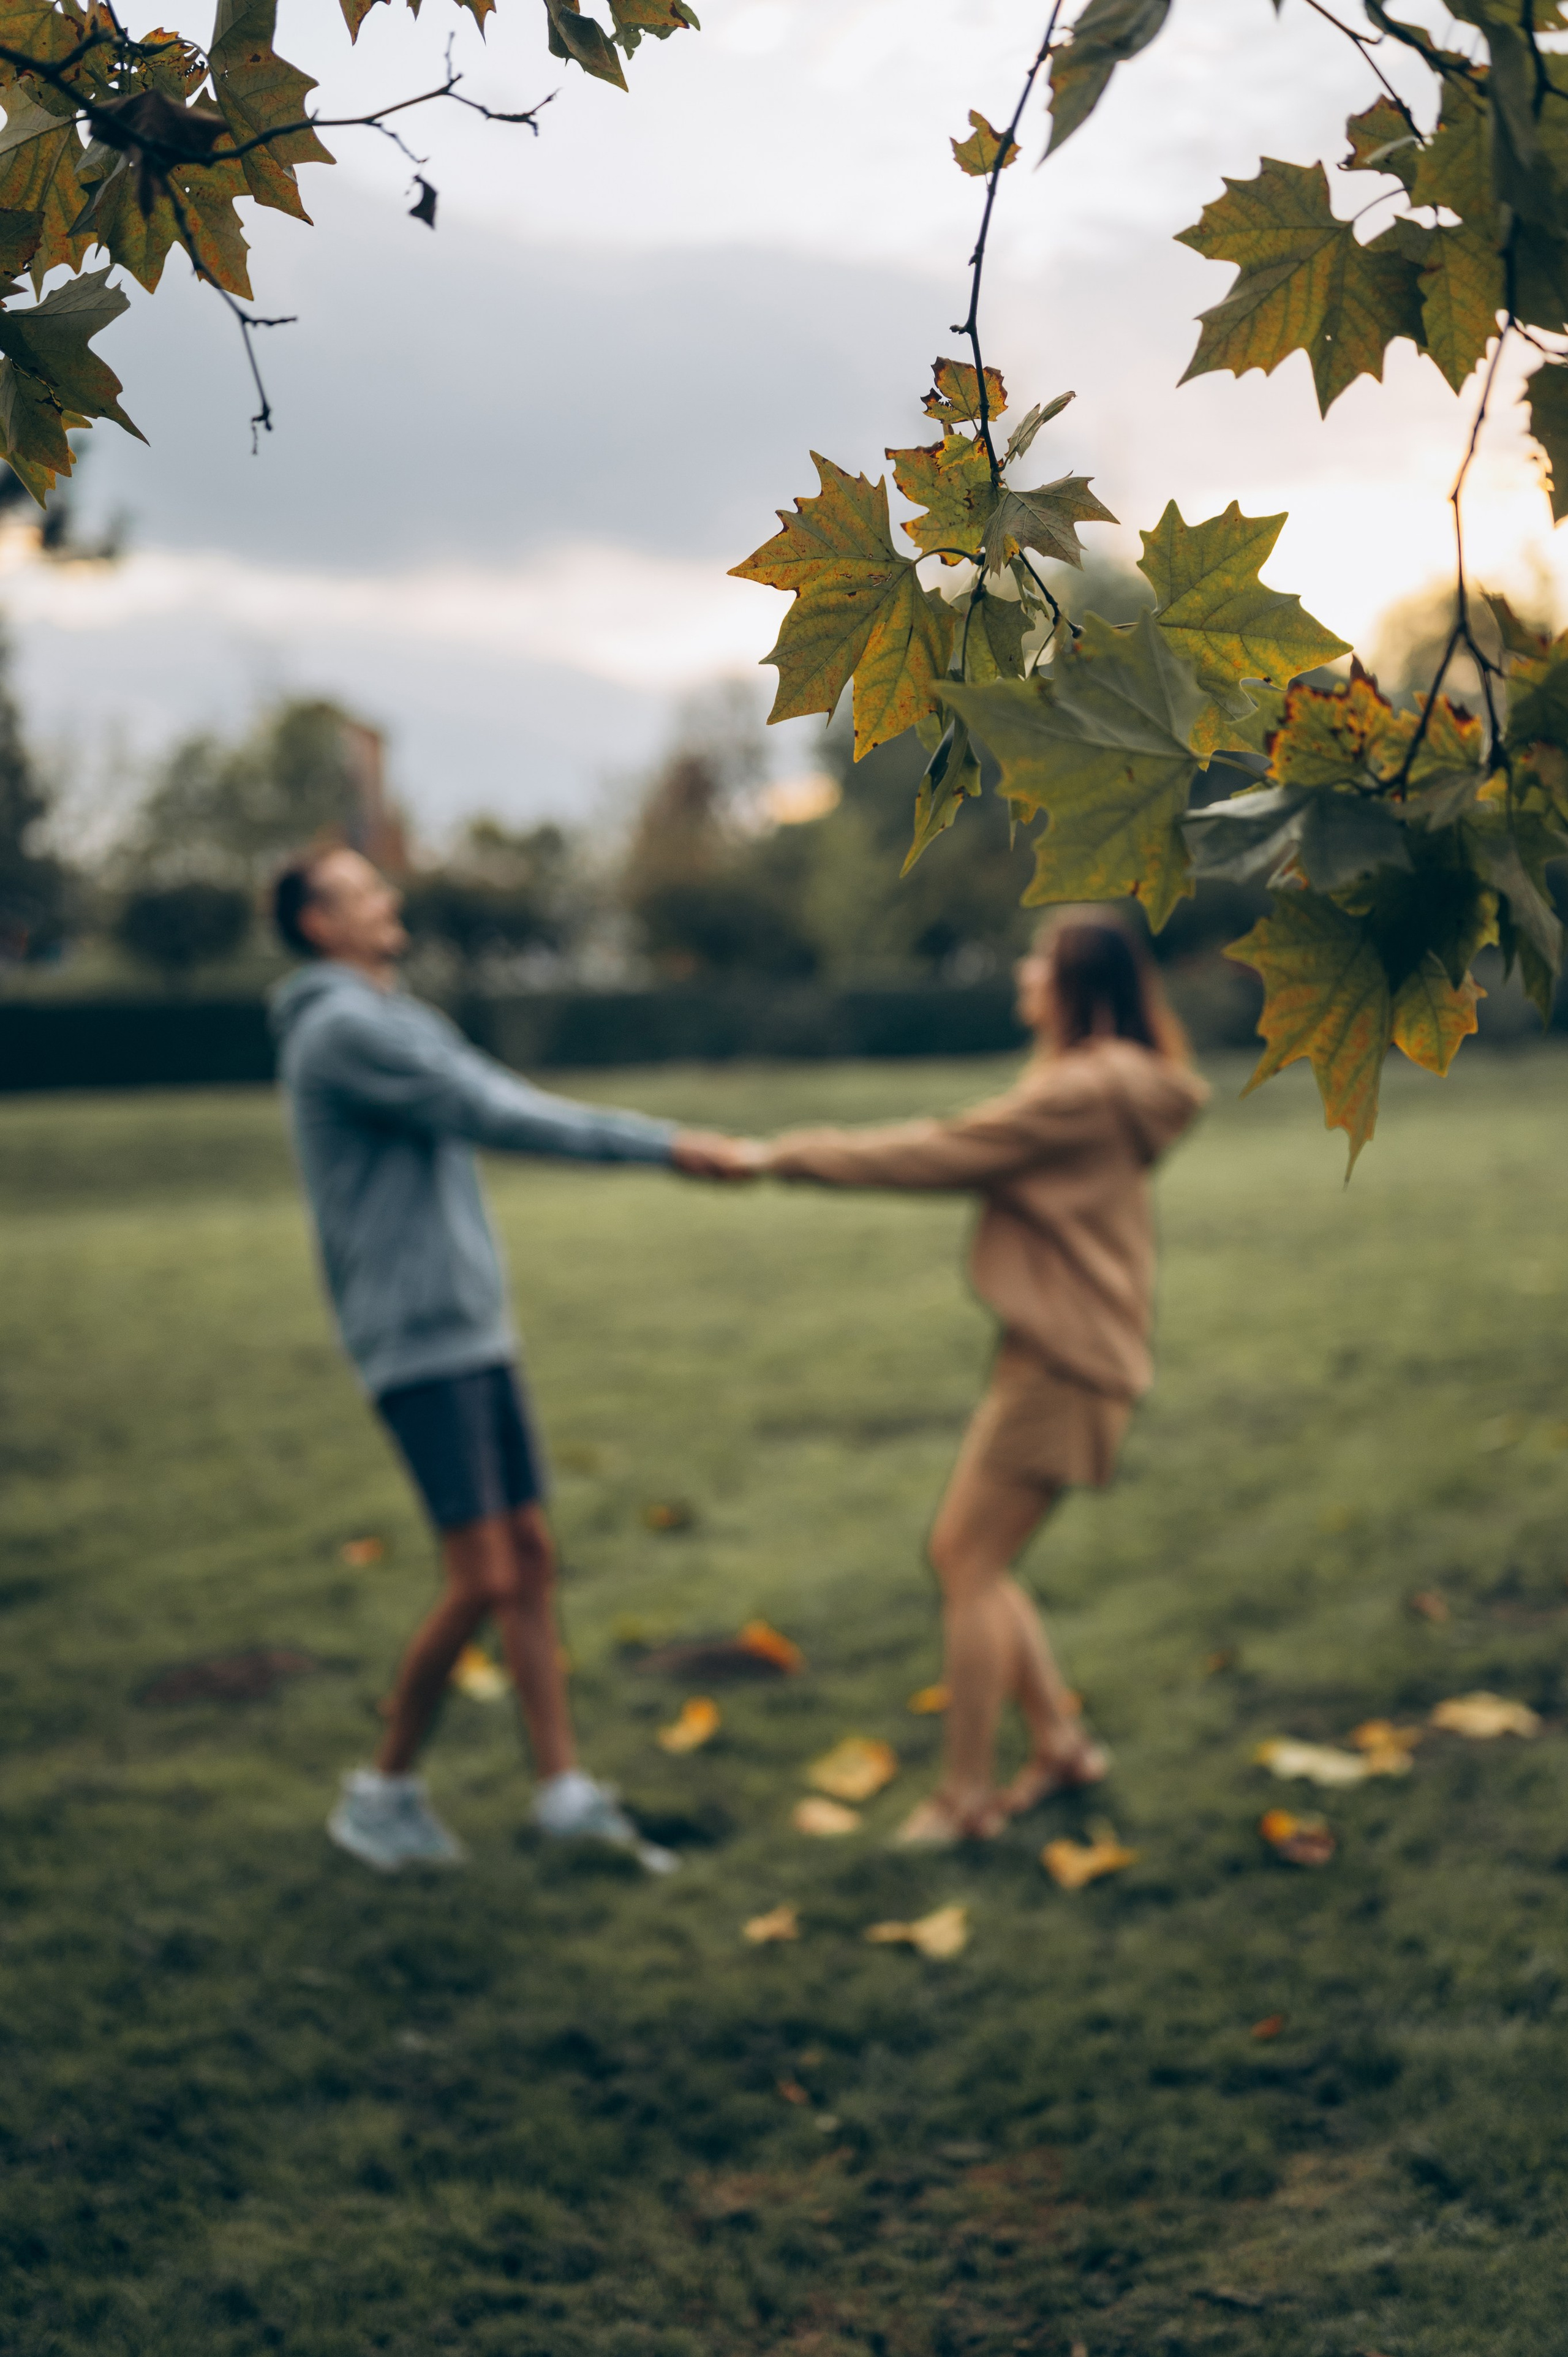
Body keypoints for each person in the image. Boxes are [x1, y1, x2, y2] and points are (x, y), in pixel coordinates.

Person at [268, 842, 743, 1875]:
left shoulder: (399, 1018)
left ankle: (561, 1789)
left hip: (470, 1327)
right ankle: (382, 1792)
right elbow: (498, 1113)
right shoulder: (343, 1032)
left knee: (527, 1560)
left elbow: (492, 1089)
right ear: (316, 923)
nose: (386, 900)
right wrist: (658, 1144)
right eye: (360, 891)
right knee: (482, 1574)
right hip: (417, 1341)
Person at [739, 907, 1209, 1844]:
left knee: (967, 1561)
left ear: (1077, 985)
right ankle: (1063, 1748)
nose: (1024, 974)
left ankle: (963, 1800)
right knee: (976, 1560)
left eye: (1040, 960)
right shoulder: (1107, 1087)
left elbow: (935, 1152)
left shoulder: (1079, 1093)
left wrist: (776, 1156)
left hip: (1066, 1367)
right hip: (1063, 1357)